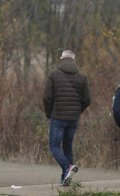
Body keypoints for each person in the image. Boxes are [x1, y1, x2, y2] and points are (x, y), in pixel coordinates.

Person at [43, 50, 91, 186]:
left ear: (61, 58)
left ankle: (67, 167)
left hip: (57, 116)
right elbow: (87, 99)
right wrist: (78, 111)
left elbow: (47, 97)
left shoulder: (54, 74)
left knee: (53, 145)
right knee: (67, 146)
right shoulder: (82, 76)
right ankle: (65, 178)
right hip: (73, 118)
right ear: (74, 60)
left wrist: (49, 113)